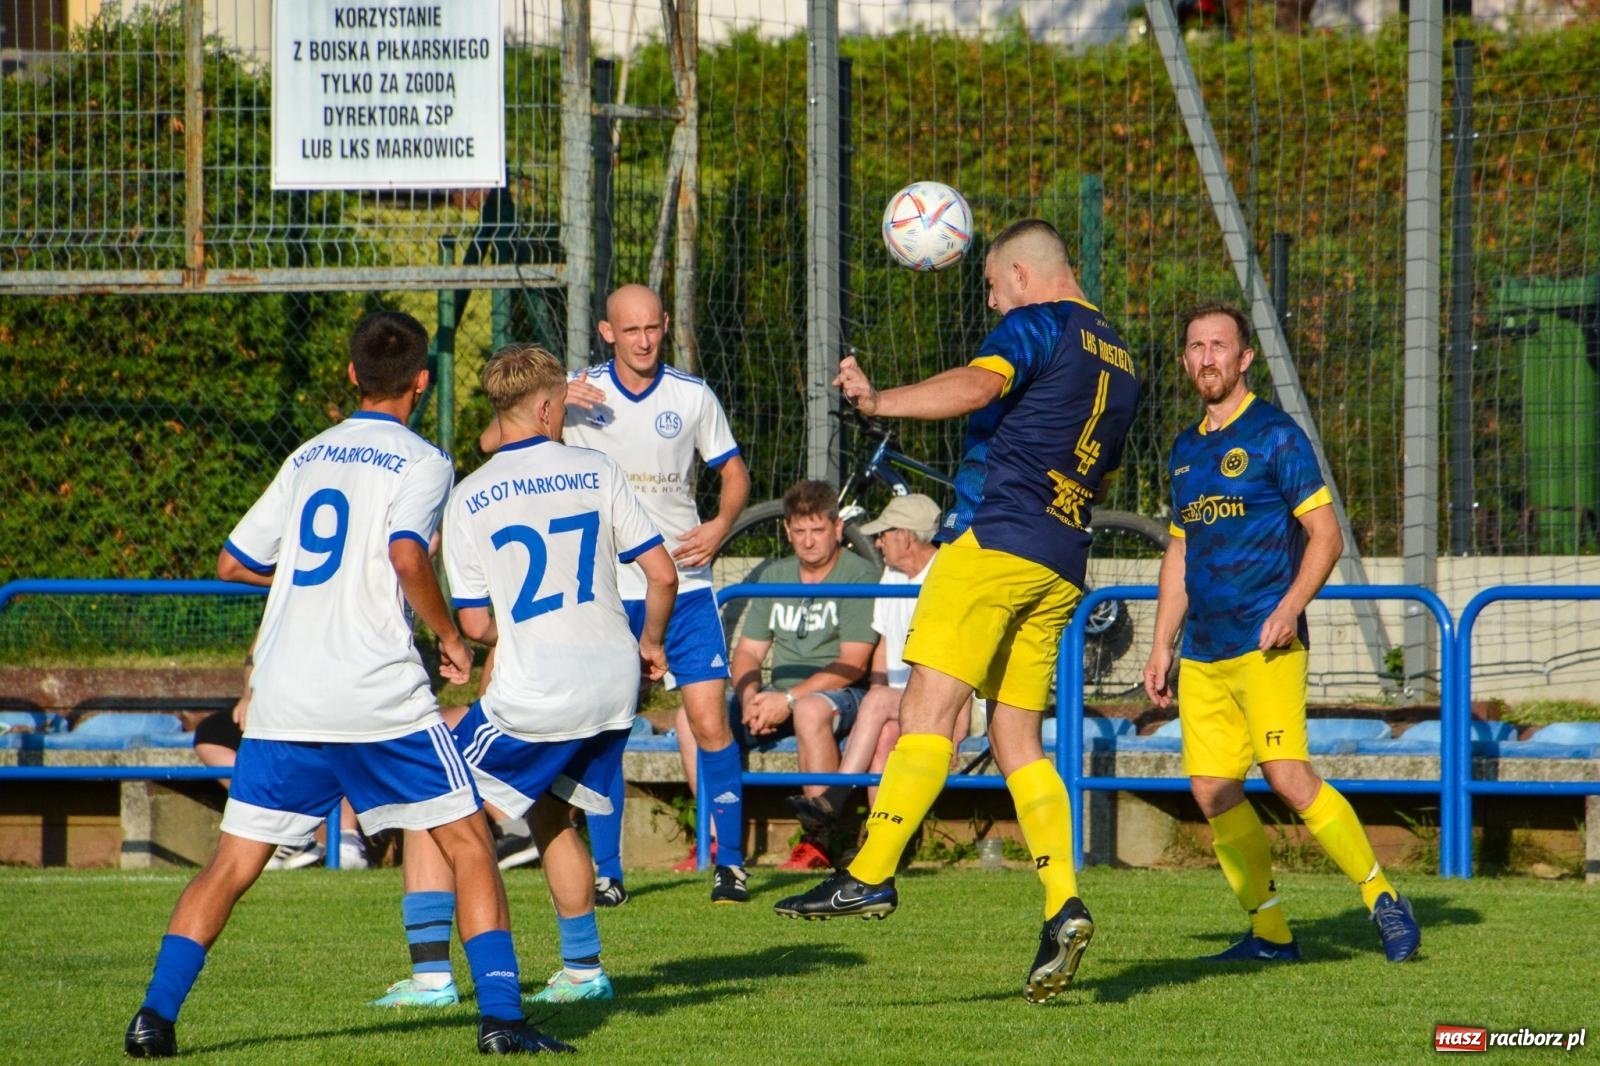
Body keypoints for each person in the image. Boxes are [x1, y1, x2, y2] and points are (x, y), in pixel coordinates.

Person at [123, 311, 571, 1057]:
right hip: (375, 691)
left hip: (288, 692)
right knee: (469, 844)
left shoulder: (306, 458)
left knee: (233, 863)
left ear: (352, 377)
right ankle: (501, 1019)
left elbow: (234, 561)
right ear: (422, 382)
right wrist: (450, 636)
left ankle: (153, 1018)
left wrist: (309, 579)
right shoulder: (424, 460)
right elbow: (404, 555)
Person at [774, 219, 1141, 1006]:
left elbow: (978, 386)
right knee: (1016, 738)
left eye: (989, 285)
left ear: (1019, 272)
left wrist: (880, 400)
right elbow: (1096, 474)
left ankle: (868, 875)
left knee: (925, 714)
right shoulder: (1123, 358)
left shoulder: (1036, 323)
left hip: (994, 545)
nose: (989, 299)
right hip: (1062, 559)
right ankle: (1062, 902)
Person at [385, 341, 678, 1008]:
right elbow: (662, 574)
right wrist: (651, 643)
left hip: (541, 687)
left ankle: (431, 976)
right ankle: (582, 971)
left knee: (433, 798)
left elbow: (480, 626)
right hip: (610, 684)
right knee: (550, 816)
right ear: (549, 405)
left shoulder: (470, 496)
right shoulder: (597, 468)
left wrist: (479, 635)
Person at [1140, 302, 1421, 964]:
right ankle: (1269, 935)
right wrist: (1161, 643)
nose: (1206, 357)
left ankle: (1382, 897)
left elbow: (1326, 534)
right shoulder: (1185, 450)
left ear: (1244, 360)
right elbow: (1181, 550)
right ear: (1185, 360)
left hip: (1266, 644)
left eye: (1219, 346)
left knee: (1288, 776)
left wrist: (1291, 604)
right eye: (1195, 346)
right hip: (1203, 653)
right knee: (1211, 791)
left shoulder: (1275, 436)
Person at [481, 283, 751, 905]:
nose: (644, 341)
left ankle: (730, 866)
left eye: (652, 328)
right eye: (630, 331)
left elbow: (732, 472)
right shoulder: (573, 392)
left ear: (663, 325)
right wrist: (548, 401)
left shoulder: (691, 396)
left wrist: (719, 524)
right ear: (607, 332)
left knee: (710, 722)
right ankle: (608, 872)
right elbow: (491, 446)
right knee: (609, 730)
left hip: (682, 586)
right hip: (605, 592)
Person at [685, 479, 879, 870]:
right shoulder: (777, 574)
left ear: (838, 529)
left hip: (842, 694)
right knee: (690, 718)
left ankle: (820, 840)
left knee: (810, 709)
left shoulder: (860, 576)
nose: (808, 541)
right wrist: (749, 695)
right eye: (800, 531)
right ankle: (717, 841)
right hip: (776, 696)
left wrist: (787, 700)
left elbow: (854, 662)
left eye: (818, 530)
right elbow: (748, 651)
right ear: (787, 530)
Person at [784, 493, 968, 839]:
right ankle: (878, 841)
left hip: (948, 702)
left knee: (878, 700)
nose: (879, 542)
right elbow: (883, 647)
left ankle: (835, 797)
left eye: (884, 534)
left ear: (906, 536)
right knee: (885, 735)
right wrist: (880, 695)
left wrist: (955, 733)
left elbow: (965, 661)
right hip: (903, 701)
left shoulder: (948, 577)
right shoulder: (892, 576)